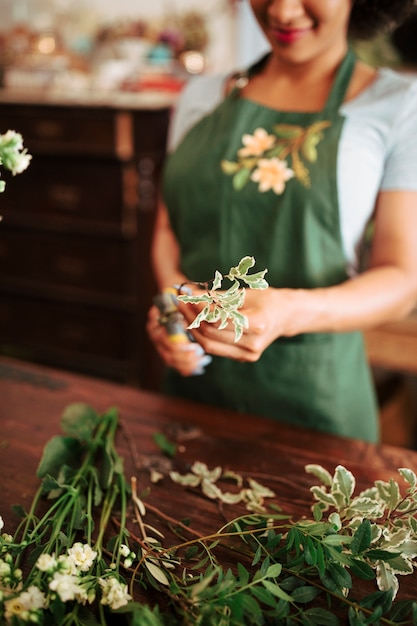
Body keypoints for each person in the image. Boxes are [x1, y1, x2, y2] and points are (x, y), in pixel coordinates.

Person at [147, 0, 417, 443]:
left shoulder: (400, 106)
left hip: (316, 408)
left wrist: (288, 311)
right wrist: (175, 307)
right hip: (192, 395)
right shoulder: (200, 96)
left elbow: (402, 279)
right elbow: (166, 230)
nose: (283, 11)